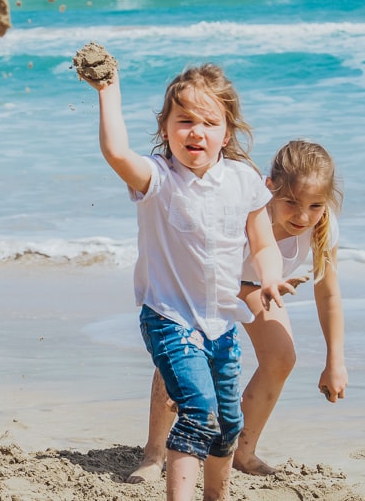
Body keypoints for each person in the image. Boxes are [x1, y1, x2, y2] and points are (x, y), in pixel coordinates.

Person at [82, 60, 291, 501]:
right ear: (165, 126)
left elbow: (263, 243)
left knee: (229, 423)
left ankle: (217, 494)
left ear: (227, 133)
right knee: (199, 412)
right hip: (169, 318)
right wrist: (107, 89)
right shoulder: (158, 178)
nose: (197, 131)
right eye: (185, 121)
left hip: (221, 323)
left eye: (209, 122)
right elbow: (117, 152)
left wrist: (271, 278)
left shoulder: (244, 180)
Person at [128, 140, 347, 482]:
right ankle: (154, 454)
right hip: (205, 284)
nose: (303, 216)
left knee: (281, 357)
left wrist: (335, 361)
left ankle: (241, 450)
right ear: (268, 187)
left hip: (260, 286)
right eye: (291, 203)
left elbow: (329, 295)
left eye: (315, 205)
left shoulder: (322, 226)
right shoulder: (244, 204)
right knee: (187, 354)